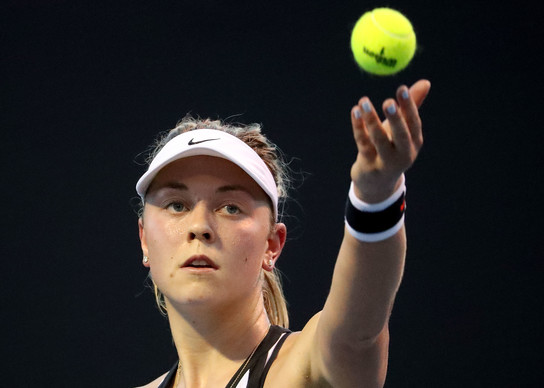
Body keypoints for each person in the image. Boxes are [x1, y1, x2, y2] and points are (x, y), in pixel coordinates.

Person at [135, 79, 431, 388]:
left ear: (272, 245)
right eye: (176, 205)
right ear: (144, 239)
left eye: (231, 208)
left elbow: (358, 335)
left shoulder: (306, 369)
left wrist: (377, 195)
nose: (200, 227)